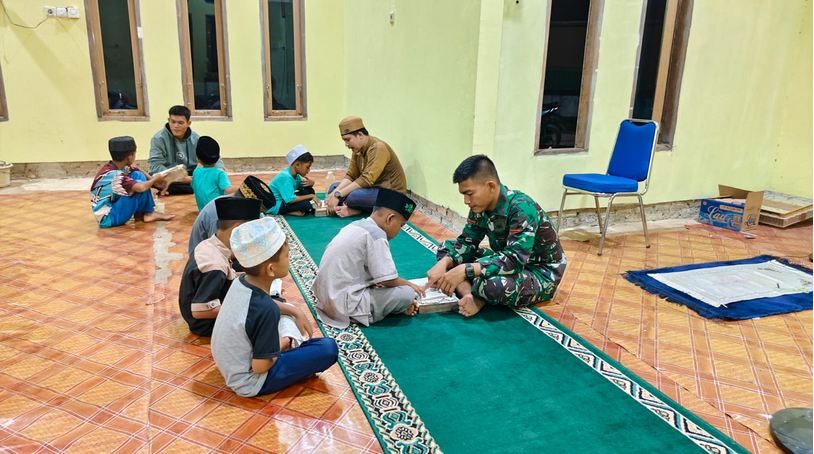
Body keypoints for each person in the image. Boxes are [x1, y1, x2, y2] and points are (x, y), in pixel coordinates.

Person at [426, 155, 566, 318]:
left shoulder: (521, 208)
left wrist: (465, 270)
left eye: (469, 194)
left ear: (491, 186)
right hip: (506, 260)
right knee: (447, 249)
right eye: (464, 195)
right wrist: (445, 263)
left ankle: (479, 294)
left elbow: (515, 259)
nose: (466, 201)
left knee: (491, 285)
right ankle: (469, 296)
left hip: (539, 272)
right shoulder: (479, 207)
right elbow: (467, 242)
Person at [211, 217, 339, 397]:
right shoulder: (265, 309)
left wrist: (295, 310)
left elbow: (258, 308)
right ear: (271, 269)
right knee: (328, 349)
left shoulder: (241, 281)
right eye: (287, 255)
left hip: (230, 364)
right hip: (250, 382)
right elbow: (259, 366)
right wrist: (284, 341)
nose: (289, 259)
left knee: (285, 310)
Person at [179, 197, 301, 344]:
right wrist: (249, 308)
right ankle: (281, 344)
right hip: (205, 324)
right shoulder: (214, 264)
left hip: (216, 303)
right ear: (237, 228)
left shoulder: (211, 244)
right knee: (268, 314)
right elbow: (200, 311)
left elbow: (228, 275)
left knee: (268, 295)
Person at [314, 189, 424, 329]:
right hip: (344, 305)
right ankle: (368, 313)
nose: (399, 230)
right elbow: (387, 280)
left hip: (325, 298)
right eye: (400, 226)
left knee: (385, 286)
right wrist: (409, 285)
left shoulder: (355, 225)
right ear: (390, 219)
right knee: (407, 294)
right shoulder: (376, 234)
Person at [326, 116, 407, 217]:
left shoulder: (378, 148)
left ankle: (356, 210)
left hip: (393, 196)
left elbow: (366, 180)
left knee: (353, 196)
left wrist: (338, 195)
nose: (346, 144)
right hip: (371, 191)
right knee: (333, 187)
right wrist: (335, 193)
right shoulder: (357, 149)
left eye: (348, 140)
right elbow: (351, 175)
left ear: (360, 135)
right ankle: (354, 207)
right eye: (344, 141)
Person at [90, 136, 174, 228]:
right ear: (130, 157)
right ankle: (149, 213)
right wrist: (155, 179)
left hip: (112, 207)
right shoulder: (116, 175)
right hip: (108, 218)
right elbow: (141, 187)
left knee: (138, 175)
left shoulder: (114, 166)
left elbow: (136, 169)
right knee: (138, 185)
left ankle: (142, 214)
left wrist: (153, 181)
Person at [187, 176, 277, 255]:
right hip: (203, 259)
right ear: (247, 207)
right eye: (258, 211)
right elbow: (218, 251)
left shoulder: (233, 206)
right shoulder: (220, 214)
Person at [148, 105, 223, 195]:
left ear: (188, 123)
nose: (175, 126)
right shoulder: (158, 139)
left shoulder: (195, 138)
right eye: (173, 122)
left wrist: (218, 171)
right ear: (168, 120)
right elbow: (155, 166)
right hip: (169, 176)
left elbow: (214, 159)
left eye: (180, 123)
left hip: (190, 175)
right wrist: (176, 176)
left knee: (209, 178)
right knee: (158, 181)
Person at [268, 144, 318, 216]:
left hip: (285, 200)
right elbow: (291, 200)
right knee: (306, 205)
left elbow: (303, 188)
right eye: (307, 167)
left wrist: (311, 183)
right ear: (297, 165)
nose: (308, 170)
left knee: (309, 190)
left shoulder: (296, 175)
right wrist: (311, 196)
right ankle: (288, 211)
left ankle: (295, 210)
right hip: (276, 205)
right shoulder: (285, 177)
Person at [192, 136, 236, 211]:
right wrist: (242, 187)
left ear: (198, 159)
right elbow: (228, 190)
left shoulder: (196, 172)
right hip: (217, 211)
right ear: (218, 158)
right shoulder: (219, 173)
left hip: (203, 211)